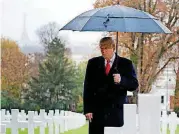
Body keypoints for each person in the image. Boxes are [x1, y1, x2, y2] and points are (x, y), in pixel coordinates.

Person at [83, 37, 139, 134]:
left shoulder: (125, 64)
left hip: (116, 113)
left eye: (106, 48)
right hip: (97, 113)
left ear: (113, 47)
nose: (103, 51)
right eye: (101, 48)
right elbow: (87, 88)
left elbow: (134, 84)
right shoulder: (93, 63)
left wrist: (121, 80)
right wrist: (88, 109)